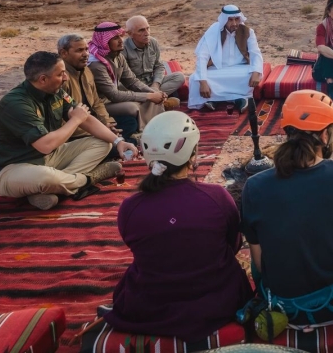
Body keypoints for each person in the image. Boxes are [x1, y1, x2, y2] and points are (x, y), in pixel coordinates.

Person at [241, 90, 333, 329]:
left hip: (284, 305)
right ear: (325, 135)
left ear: (288, 132)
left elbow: (258, 262)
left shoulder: (254, 186)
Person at [104, 111, 253, 341]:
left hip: (148, 306)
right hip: (218, 303)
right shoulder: (218, 197)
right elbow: (233, 246)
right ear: (192, 155)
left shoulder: (130, 207)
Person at [0, 51, 135, 210]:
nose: (66, 78)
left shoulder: (56, 91)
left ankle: (50, 189)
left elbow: (86, 119)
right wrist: (75, 120)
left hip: (48, 158)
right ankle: (89, 178)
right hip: (11, 168)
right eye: (61, 74)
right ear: (43, 79)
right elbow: (45, 145)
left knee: (104, 143)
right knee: (47, 179)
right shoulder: (17, 104)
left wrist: (118, 142)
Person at [88, 21, 174, 132]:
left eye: (120, 36)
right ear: (104, 42)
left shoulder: (118, 56)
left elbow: (132, 81)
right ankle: (146, 129)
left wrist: (153, 92)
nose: (120, 41)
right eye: (115, 38)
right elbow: (114, 95)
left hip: (116, 97)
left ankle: (155, 124)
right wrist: (149, 96)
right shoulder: (96, 65)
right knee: (133, 107)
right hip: (102, 104)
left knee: (152, 95)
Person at [188, 4, 264, 112]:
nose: (234, 23)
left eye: (237, 19)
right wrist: (203, 83)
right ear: (224, 20)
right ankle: (219, 99)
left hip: (240, 68)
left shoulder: (247, 32)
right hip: (216, 68)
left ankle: (234, 99)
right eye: (230, 20)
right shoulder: (213, 31)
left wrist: (256, 73)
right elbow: (202, 56)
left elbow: (255, 53)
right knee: (195, 79)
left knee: (252, 75)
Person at [58, 34, 125, 143]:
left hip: (92, 122)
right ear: (63, 53)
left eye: (86, 49)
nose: (86, 54)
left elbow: (96, 103)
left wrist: (107, 122)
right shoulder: (60, 79)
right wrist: (98, 131)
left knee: (129, 122)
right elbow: (62, 119)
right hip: (75, 131)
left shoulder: (86, 71)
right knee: (112, 144)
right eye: (79, 50)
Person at [123, 15, 186, 97]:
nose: (147, 33)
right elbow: (127, 78)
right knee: (123, 91)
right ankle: (156, 97)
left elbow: (159, 66)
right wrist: (148, 90)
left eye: (148, 28)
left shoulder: (153, 42)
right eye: (141, 30)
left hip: (152, 81)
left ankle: (152, 98)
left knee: (179, 77)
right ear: (130, 34)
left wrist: (155, 85)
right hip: (134, 86)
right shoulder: (123, 48)